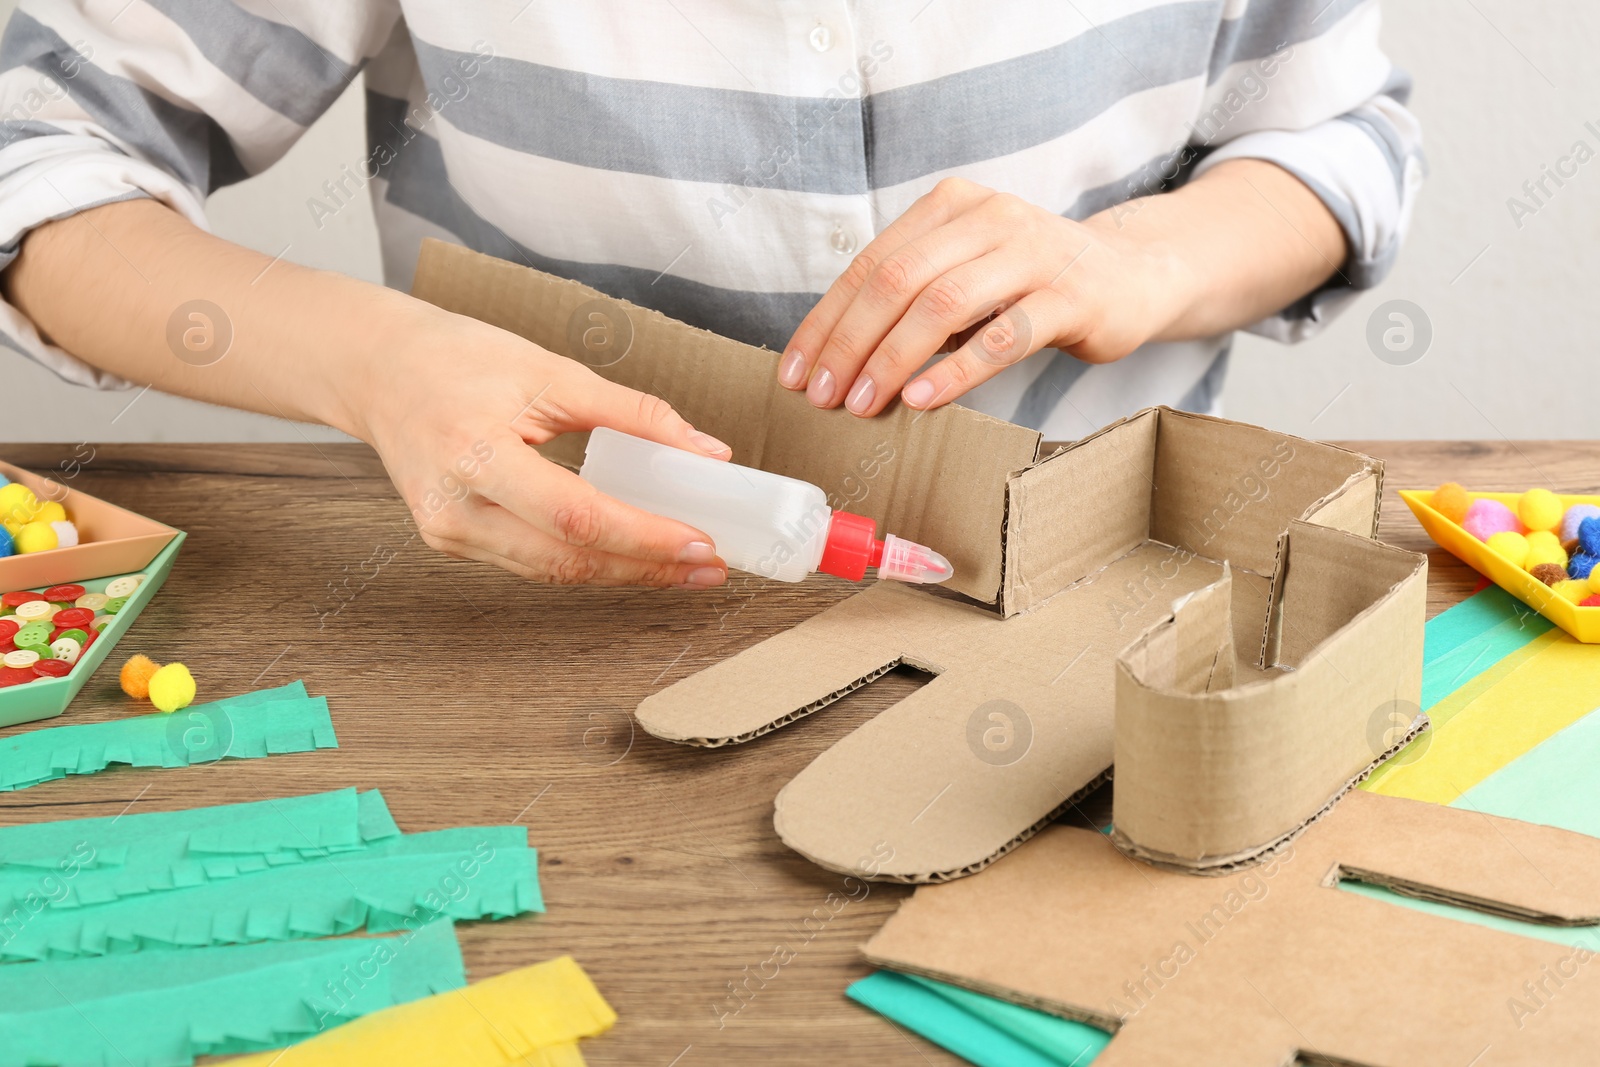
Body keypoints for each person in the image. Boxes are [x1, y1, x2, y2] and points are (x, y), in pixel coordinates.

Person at [0, 1, 1421, 590]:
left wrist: (1144, 261)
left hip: (1111, 581)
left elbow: (1338, 144)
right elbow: (33, 156)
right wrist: (373, 360)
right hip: (549, 605)